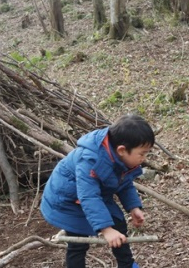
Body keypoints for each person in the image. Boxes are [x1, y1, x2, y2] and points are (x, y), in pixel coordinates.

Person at [41, 114, 155, 268]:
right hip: (66, 200)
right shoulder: (91, 160)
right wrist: (106, 229)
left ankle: (127, 265)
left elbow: (124, 182)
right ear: (122, 150)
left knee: (119, 225)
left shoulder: (118, 155)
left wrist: (133, 207)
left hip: (93, 194)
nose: (144, 158)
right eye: (142, 153)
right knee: (78, 242)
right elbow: (88, 196)